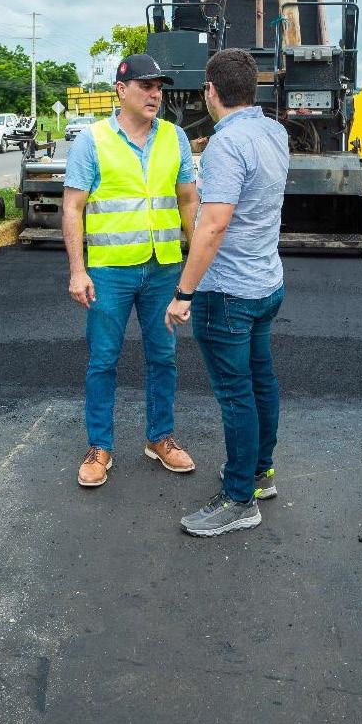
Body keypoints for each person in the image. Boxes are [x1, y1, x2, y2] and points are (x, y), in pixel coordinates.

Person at [164, 48, 290, 537]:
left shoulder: (224, 146)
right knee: (260, 381)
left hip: (229, 292)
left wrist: (184, 292)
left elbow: (213, 225)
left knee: (237, 395)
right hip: (266, 283)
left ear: (210, 92)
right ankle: (259, 474)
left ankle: (239, 500)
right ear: (253, 90)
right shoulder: (274, 132)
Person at [62, 54, 200, 488]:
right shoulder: (92, 140)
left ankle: (160, 438)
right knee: (103, 359)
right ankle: (99, 447)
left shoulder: (175, 137)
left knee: (163, 356)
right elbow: (72, 207)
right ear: (121, 90)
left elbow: (188, 200)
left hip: (164, 269)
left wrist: (200, 263)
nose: (155, 94)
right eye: (146, 86)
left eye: (159, 87)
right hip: (109, 272)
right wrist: (77, 270)